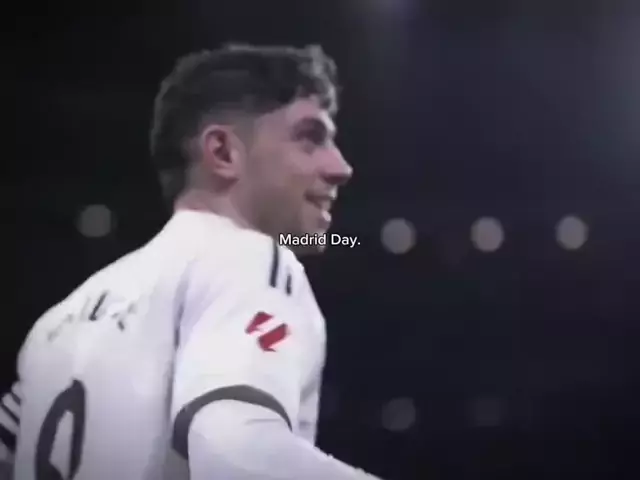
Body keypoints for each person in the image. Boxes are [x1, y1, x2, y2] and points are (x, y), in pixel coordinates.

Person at [0, 44, 383, 479]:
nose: (341, 167)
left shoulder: (57, 321)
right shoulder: (247, 257)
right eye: (310, 138)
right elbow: (234, 453)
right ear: (223, 152)